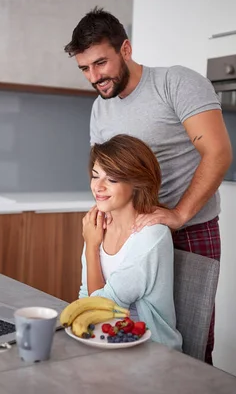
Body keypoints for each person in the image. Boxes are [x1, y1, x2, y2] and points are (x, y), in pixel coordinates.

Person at [65, 7, 232, 364]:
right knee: (122, 324)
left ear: (125, 49)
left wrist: (178, 214)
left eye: (100, 63)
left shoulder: (176, 83)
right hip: (128, 228)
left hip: (188, 227)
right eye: (85, 68)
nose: (94, 76)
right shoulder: (101, 108)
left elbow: (217, 152)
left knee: (193, 342)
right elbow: (104, 170)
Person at [78, 134, 182, 352]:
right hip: (108, 343)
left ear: (137, 183)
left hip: (152, 353)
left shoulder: (151, 236)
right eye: (95, 176)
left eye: (112, 179)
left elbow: (102, 308)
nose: (98, 187)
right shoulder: (97, 226)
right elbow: (86, 295)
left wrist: (92, 247)